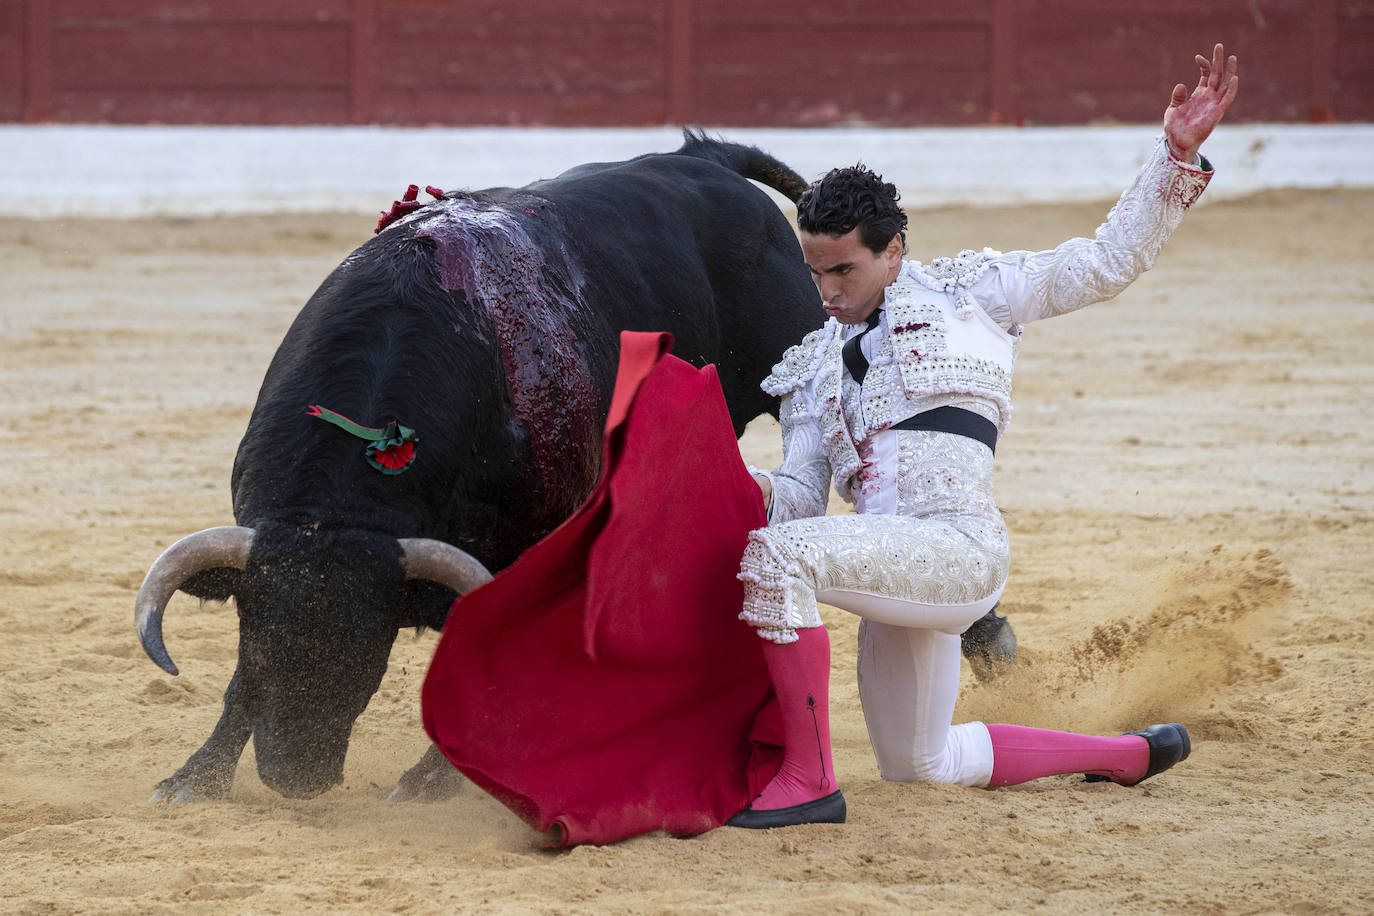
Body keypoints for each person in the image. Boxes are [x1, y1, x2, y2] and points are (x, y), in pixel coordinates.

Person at [728, 44, 1240, 828]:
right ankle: (1124, 756)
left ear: (893, 250)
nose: (826, 293)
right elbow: (797, 498)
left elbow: (1105, 262)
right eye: (815, 272)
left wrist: (1174, 157)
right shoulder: (813, 366)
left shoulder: (971, 293)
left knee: (776, 559)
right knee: (919, 764)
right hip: (894, 574)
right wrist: (726, 480)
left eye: (844, 271)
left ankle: (810, 780)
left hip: (959, 550)